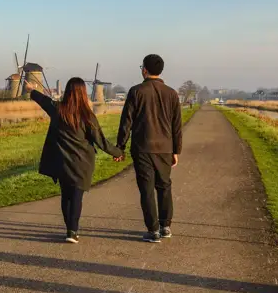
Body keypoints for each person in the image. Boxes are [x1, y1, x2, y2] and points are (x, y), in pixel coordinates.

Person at [26, 78, 122, 243]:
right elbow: (100, 140)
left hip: (62, 162)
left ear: (68, 92)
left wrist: (31, 90)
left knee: (66, 196)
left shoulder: (57, 110)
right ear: (83, 93)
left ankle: (69, 229)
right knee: (77, 196)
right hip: (82, 163)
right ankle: (73, 231)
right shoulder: (88, 116)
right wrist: (117, 152)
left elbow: (43, 100)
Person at [116, 54, 182, 243]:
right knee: (164, 186)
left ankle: (153, 230)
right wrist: (176, 150)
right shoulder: (172, 94)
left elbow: (126, 122)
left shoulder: (136, 91)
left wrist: (120, 146)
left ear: (144, 70)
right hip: (165, 147)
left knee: (146, 189)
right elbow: (176, 125)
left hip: (142, 147)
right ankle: (165, 226)